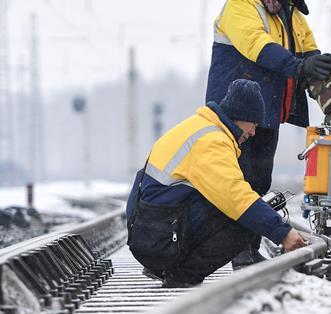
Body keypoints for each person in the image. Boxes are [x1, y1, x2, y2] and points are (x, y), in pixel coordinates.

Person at [206, 0, 331, 269]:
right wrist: (298, 67)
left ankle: (246, 247)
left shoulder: (289, 12)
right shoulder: (242, 3)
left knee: (259, 180)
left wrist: (324, 79)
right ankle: (237, 251)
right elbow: (257, 46)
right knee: (241, 180)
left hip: (267, 110)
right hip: (236, 111)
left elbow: (308, 50)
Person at [126, 79, 307, 287]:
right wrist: (282, 232)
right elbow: (235, 197)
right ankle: (183, 275)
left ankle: (166, 266)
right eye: (253, 124)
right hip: (159, 240)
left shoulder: (199, 126)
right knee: (245, 218)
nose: (253, 133)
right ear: (241, 117)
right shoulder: (212, 141)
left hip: (150, 231)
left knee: (245, 209)